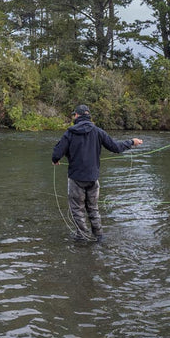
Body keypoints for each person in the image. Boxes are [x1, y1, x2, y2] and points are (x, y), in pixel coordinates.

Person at [51, 104, 143, 242]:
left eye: (73, 115)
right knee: (93, 208)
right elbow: (116, 147)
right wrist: (131, 142)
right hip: (93, 178)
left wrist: (56, 160)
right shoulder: (98, 131)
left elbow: (57, 153)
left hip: (76, 178)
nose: (73, 117)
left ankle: (82, 237)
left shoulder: (69, 133)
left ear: (77, 115)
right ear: (88, 116)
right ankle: (99, 236)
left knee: (77, 210)